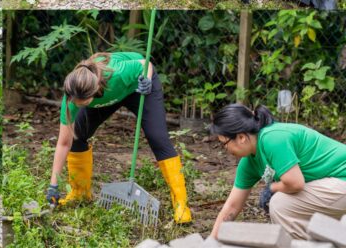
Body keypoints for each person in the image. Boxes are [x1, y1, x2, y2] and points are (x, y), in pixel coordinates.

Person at [45, 52, 192, 224]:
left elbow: (145, 64)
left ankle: (181, 204)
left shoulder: (119, 73)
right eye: (74, 101)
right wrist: (53, 185)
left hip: (136, 87)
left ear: (94, 91)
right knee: (77, 136)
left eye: (81, 103)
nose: (75, 105)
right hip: (106, 96)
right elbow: (64, 143)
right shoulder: (72, 95)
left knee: (158, 138)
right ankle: (80, 193)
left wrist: (147, 80)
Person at [209, 104, 346, 240]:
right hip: (334, 187)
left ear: (241, 137)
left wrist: (272, 188)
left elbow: (295, 183)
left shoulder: (273, 139)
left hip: (341, 179)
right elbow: (232, 206)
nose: (224, 149)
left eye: (224, 143)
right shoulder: (249, 162)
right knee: (285, 202)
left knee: (281, 204)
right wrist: (211, 242)